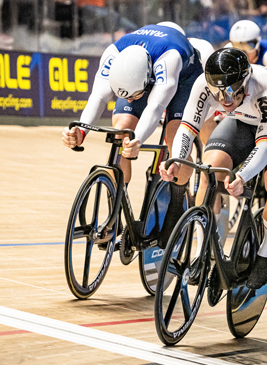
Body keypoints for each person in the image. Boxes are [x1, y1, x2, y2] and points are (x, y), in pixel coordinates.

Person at [159, 48, 267, 289]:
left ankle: (266, 254)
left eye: (231, 92)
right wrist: (176, 158)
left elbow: (266, 147)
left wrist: (242, 175)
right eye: (218, 94)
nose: (224, 100)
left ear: (245, 81)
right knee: (208, 171)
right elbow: (188, 126)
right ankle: (201, 252)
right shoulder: (203, 84)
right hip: (241, 121)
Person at [61, 23, 203, 247]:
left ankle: (177, 202)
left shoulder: (171, 58)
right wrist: (80, 131)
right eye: (122, 95)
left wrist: (138, 140)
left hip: (185, 78)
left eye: (134, 95)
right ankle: (116, 212)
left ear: (147, 81)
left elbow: (155, 107)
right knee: (122, 130)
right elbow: (97, 98)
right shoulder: (112, 54)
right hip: (137, 73)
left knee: (176, 138)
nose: (128, 100)